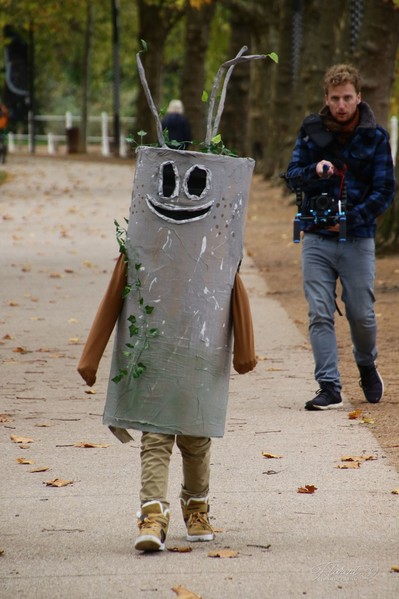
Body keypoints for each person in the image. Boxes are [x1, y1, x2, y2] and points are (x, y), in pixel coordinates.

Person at [286, 63, 395, 411]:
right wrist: (313, 171)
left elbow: (385, 191)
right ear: (327, 98)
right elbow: (291, 175)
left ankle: (366, 362)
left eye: (348, 97)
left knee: (362, 314)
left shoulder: (376, 138)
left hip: (358, 237)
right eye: (335, 98)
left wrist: (350, 218)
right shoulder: (311, 133)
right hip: (316, 237)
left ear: (359, 97)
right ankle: (329, 385)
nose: (341, 105)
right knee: (319, 312)